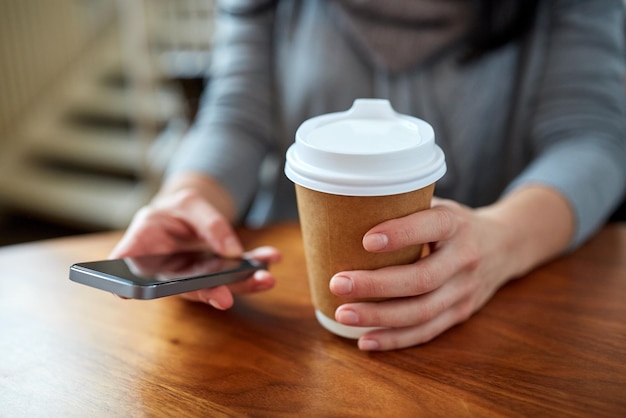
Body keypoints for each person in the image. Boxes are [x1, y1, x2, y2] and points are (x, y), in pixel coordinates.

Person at [111, 0, 626, 351]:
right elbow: (236, 116)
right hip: (288, 303)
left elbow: (592, 137)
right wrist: (186, 198)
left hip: (487, 311)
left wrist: (504, 239)